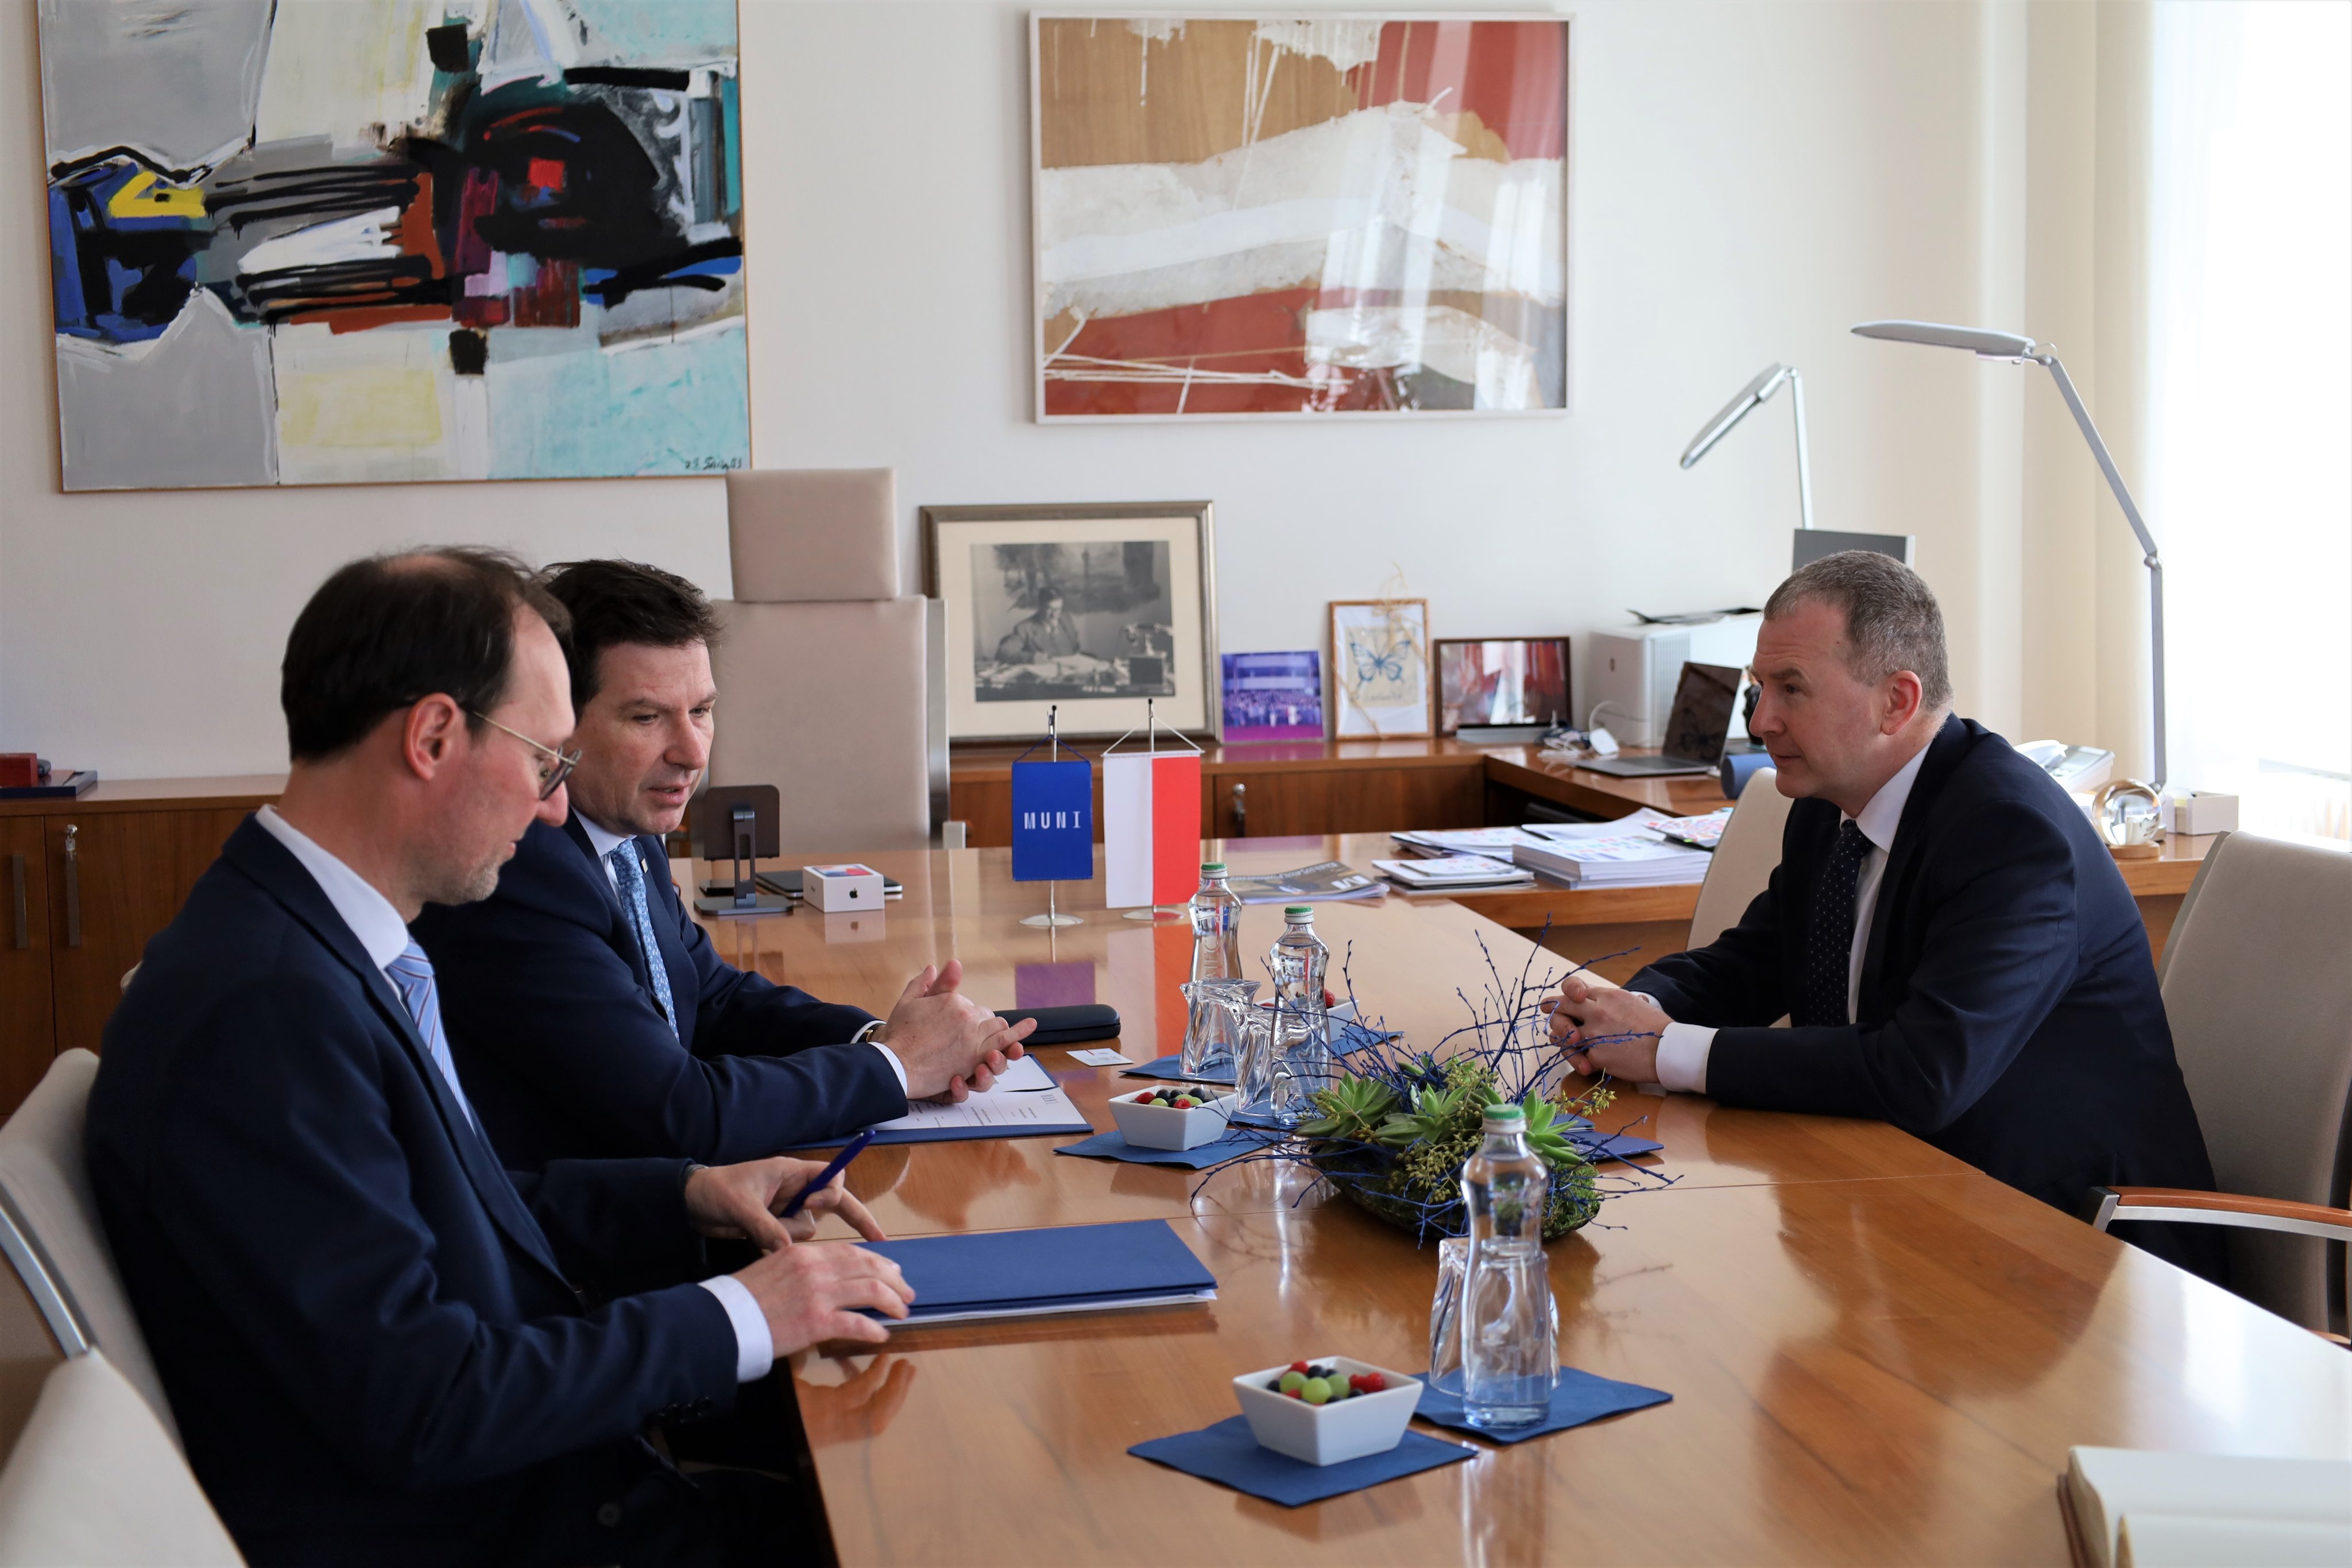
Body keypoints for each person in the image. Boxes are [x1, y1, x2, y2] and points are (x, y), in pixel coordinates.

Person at [87, 550, 916, 1566]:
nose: (558, 808)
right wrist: (743, 1309)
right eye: (545, 761)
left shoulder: (316, 943)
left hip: (545, 1472)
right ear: (434, 736)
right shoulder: (263, 1010)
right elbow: (425, 1403)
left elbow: (435, 1208)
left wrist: (685, 1191)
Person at [1545, 551, 2225, 1280]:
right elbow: (1754, 961)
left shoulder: (2009, 833)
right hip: (1899, 1193)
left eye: (1791, 688)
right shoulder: (1829, 804)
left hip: (2079, 1249)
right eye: (1758, 688)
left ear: (1896, 702)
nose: (1762, 720)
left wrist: (1665, 1050)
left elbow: (1922, 1074)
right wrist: (1625, 1011)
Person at [413, 558, 1031, 1170]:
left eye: (702, 711)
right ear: (556, 723)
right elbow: (683, 1114)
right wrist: (898, 1066)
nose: (691, 753)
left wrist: (881, 1039)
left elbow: (708, 997)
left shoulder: (626, 830)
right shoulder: (519, 871)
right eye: (647, 717)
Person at [993, 587, 1081, 663]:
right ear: (1040, 607)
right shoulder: (1024, 628)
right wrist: (1030, 658)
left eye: (1058, 609)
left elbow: (1075, 649)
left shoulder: (1066, 620)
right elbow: (1003, 653)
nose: (1055, 615)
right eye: (1050, 609)